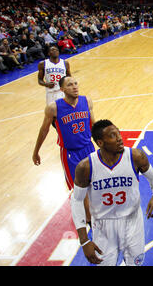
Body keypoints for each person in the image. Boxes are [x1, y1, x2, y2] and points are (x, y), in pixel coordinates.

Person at [70, 119, 153, 266]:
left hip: (132, 222)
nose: (119, 138)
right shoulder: (86, 167)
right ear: (100, 143)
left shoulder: (135, 156)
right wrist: (84, 240)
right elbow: (76, 200)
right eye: (113, 135)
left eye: (118, 133)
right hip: (103, 227)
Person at [32, 76, 95, 221]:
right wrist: (36, 152)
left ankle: (96, 214)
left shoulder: (87, 101)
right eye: (70, 85)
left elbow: (94, 125)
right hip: (70, 154)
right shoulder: (53, 108)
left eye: (75, 83)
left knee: (94, 185)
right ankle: (90, 221)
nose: (74, 87)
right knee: (80, 189)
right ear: (62, 89)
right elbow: (44, 130)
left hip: (89, 148)